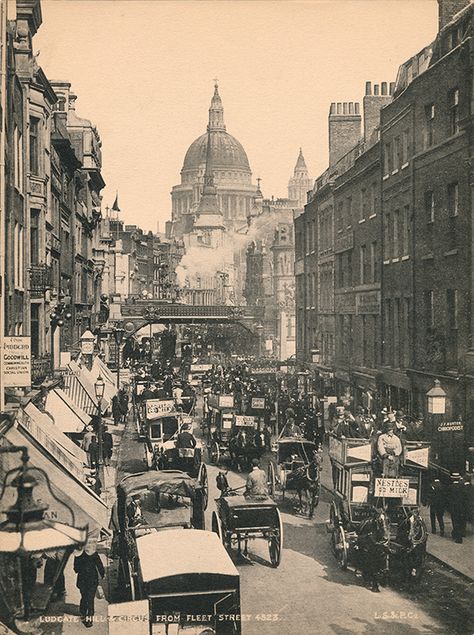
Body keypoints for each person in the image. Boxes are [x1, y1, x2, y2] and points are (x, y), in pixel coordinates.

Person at [74, 546, 105, 627]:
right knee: (90, 599)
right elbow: (99, 564)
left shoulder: (78, 554)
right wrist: (102, 574)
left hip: (82, 580)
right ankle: (89, 619)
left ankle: (83, 612)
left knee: (84, 597)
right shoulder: (93, 553)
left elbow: (76, 569)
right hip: (92, 579)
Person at [449, 474, 467, 544]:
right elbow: (465, 497)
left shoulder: (450, 487)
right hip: (461, 507)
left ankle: (458, 537)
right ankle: (456, 534)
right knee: (460, 521)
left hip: (453, 507)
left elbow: (448, 498)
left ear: (452, 479)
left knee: (455, 521)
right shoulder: (462, 487)